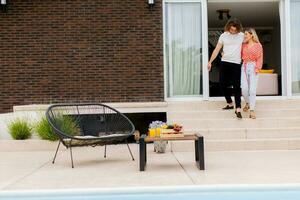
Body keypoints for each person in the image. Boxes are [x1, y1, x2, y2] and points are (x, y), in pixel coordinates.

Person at [208, 18, 244, 119]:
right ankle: (229, 102)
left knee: (237, 86)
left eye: (235, 30)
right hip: (225, 62)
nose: (233, 31)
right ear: (228, 27)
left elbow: (249, 43)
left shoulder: (241, 36)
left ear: (238, 29)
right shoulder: (223, 36)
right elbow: (216, 49)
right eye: (231, 29)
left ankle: (238, 108)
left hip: (236, 63)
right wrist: (210, 61)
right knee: (222, 84)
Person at [241, 28, 263, 119]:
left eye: (246, 34)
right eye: (244, 34)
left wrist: (258, 68)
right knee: (244, 89)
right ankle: (247, 103)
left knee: (252, 90)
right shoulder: (243, 45)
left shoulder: (258, 46)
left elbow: (260, 58)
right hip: (244, 66)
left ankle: (252, 110)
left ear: (251, 35)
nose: (245, 36)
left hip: (254, 67)